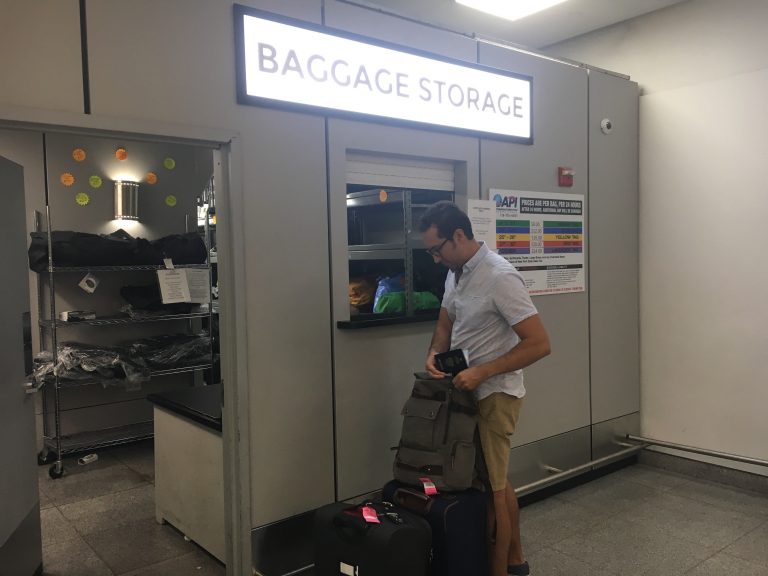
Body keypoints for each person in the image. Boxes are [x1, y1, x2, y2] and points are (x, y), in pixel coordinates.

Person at [419, 201, 550, 576]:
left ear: (458, 236)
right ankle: (515, 562)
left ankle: (501, 570)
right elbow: (445, 322)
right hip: (464, 393)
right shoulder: (455, 272)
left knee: (492, 491)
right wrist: (433, 353)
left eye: (436, 249)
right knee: (495, 480)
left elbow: (539, 343)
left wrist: (482, 373)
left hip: (495, 394)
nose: (434, 258)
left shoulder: (500, 276)